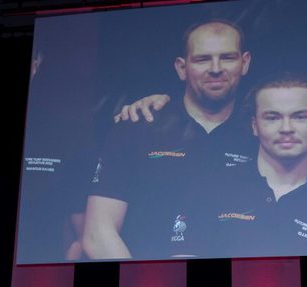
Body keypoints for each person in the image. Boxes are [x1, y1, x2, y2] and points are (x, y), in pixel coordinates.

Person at [82, 19, 253, 260]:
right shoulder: (137, 126)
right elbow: (97, 234)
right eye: (202, 59)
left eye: (227, 57)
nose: (215, 68)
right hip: (144, 280)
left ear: (245, 63)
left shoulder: (260, 135)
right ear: (182, 68)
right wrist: (143, 280)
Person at [211, 74, 307, 256]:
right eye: (272, 118)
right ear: (254, 125)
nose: (286, 128)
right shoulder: (213, 190)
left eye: (299, 117)